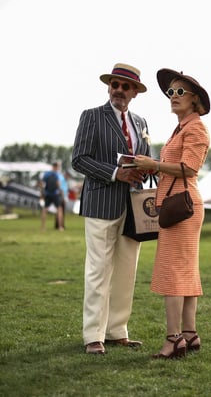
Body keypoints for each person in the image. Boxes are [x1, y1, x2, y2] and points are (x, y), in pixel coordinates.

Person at [72, 63, 152, 355]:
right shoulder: (92, 116)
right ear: (109, 87)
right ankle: (93, 335)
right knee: (98, 270)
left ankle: (117, 331)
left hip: (133, 207)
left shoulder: (142, 123)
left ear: (135, 92)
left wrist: (143, 169)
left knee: (126, 271)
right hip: (100, 203)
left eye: (125, 86)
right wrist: (115, 172)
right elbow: (79, 159)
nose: (119, 90)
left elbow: (146, 158)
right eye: (114, 84)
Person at [133, 68, 210, 359]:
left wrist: (153, 165)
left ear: (194, 100)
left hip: (183, 207)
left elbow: (190, 168)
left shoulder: (195, 128)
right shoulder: (181, 128)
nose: (173, 97)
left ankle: (173, 338)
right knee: (185, 274)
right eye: (170, 92)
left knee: (173, 274)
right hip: (178, 204)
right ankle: (189, 335)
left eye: (180, 92)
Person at [40, 161, 65, 231]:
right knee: (59, 209)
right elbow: (58, 184)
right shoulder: (56, 174)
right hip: (55, 194)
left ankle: (43, 227)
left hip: (47, 194)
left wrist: (42, 193)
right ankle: (60, 227)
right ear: (56, 167)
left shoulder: (46, 174)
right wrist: (61, 193)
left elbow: (42, 184)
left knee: (45, 210)